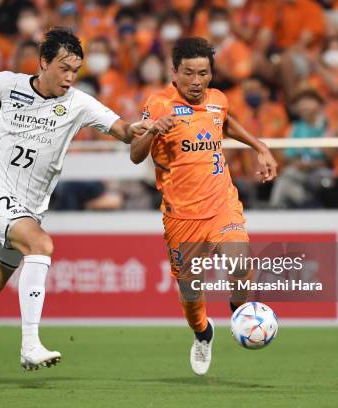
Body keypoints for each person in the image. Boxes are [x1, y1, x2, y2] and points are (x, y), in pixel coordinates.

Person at [0, 28, 152, 371]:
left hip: (27, 209)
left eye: (76, 71)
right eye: (64, 68)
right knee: (40, 245)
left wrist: (141, 128)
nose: (70, 78)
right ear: (43, 62)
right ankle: (30, 345)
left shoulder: (79, 103)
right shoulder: (11, 84)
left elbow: (122, 130)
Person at [129, 37, 278, 375]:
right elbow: (135, 154)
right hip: (182, 217)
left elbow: (225, 122)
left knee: (239, 264)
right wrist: (152, 131)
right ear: (174, 73)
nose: (197, 82)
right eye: (189, 74)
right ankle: (202, 333)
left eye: (204, 73)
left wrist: (259, 146)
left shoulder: (217, 100)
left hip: (221, 202)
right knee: (190, 292)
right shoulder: (158, 104)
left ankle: (242, 315)